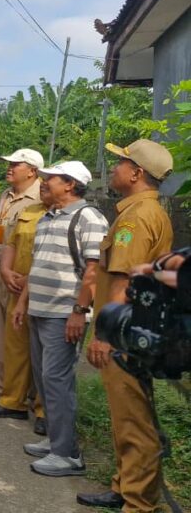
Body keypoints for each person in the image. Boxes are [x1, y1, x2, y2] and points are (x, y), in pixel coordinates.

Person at [78, 140, 174, 512]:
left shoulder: (136, 218)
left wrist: (103, 335)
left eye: (121, 162)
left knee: (134, 421)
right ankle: (125, 488)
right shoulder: (145, 211)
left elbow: (122, 281)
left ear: (136, 173)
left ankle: (138, 502)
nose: (113, 168)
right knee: (126, 416)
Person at [11, 161, 107, 477]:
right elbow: (37, 266)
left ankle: (67, 454)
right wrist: (23, 303)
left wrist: (79, 313)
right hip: (40, 310)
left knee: (57, 380)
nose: (45, 182)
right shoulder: (47, 218)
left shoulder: (88, 217)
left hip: (64, 313)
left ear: (69, 184)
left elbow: (93, 271)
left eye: (50, 178)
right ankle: (56, 441)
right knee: (44, 379)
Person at [0, 180, 51, 431]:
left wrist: (27, 278)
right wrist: (6, 270)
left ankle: (43, 410)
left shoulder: (68, 216)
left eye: (51, 181)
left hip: (43, 289)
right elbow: (9, 241)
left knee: (45, 354)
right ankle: (12, 400)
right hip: (14, 283)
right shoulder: (26, 210)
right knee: (14, 346)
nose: (45, 185)